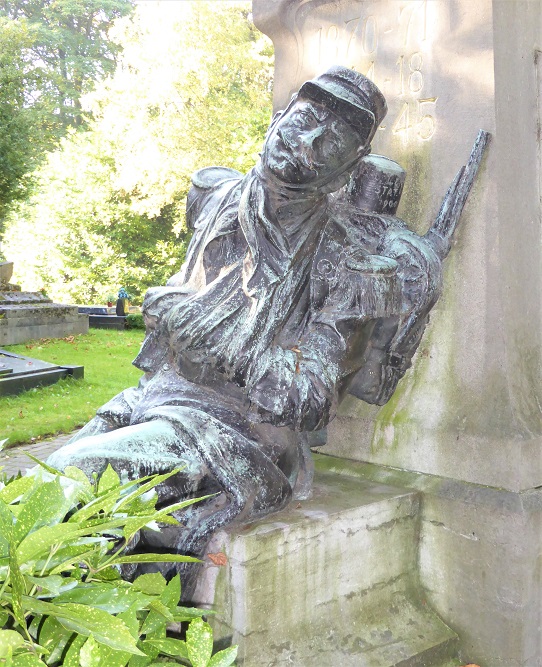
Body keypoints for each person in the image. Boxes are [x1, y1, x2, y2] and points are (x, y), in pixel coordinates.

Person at [47, 66, 449, 595]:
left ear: (350, 166)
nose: (305, 140)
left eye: (332, 140)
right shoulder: (215, 197)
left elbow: (302, 400)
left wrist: (208, 338)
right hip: (153, 400)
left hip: (237, 434)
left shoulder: (344, 257)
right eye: (303, 118)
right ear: (280, 116)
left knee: (81, 471)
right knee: (38, 488)